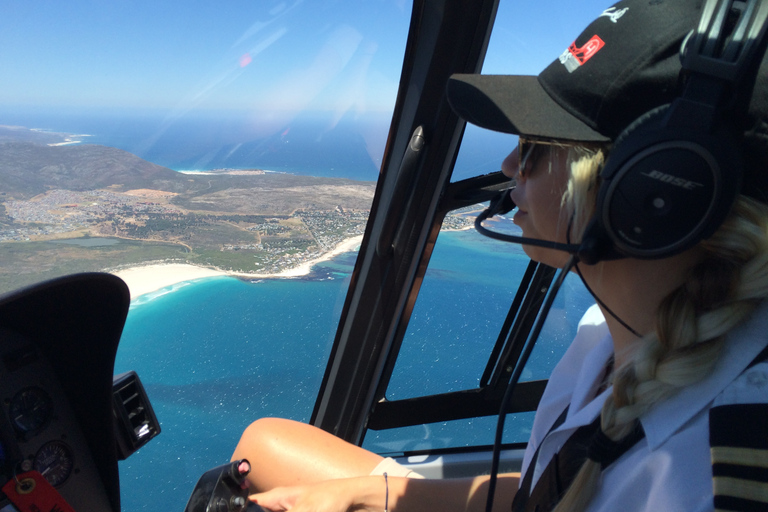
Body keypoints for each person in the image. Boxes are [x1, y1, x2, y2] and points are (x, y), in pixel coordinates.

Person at [232, 0, 768, 510]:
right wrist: (364, 496)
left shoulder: (710, 475)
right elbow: (555, 484)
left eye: (534, 146)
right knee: (267, 445)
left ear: (656, 192)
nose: (510, 165)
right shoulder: (606, 335)